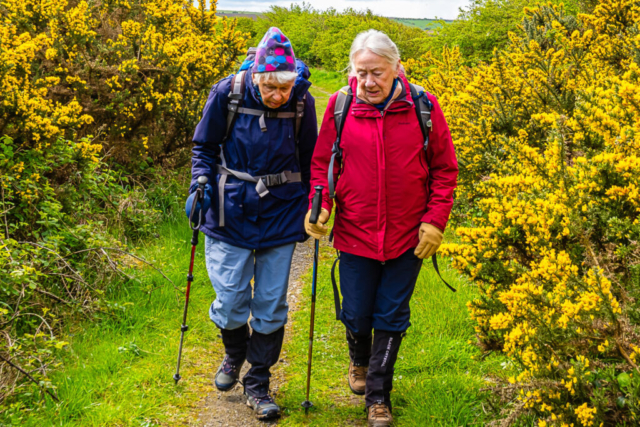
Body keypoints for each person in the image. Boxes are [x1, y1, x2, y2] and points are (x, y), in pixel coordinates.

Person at [305, 29, 458, 426]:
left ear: (397, 67)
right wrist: (320, 207)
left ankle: (378, 397)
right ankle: (358, 357)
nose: (368, 82)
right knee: (356, 314)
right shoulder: (340, 106)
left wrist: (435, 221)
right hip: (356, 232)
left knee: (391, 316)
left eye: (377, 73)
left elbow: (444, 169)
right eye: (361, 73)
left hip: (410, 237)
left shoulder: (423, 106)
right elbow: (323, 165)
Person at [188, 27, 317, 421]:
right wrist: (200, 182)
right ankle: (234, 352)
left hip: (281, 209)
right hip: (230, 209)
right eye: (270, 88)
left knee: (271, 302)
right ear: (257, 76)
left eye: (284, 88)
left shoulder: (301, 100)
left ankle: (258, 381)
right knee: (229, 300)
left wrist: (316, 203)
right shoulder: (227, 92)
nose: (277, 96)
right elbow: (204, 146)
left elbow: (311, 157)